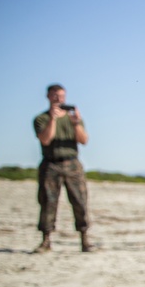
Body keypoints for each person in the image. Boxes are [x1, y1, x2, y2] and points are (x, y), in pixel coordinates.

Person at [32, 84, 95, 253]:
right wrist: (53, 119)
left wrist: (76, 124)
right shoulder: (41, 119)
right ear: (48, 96)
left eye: (61, 96)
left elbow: (84, 140)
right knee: (48, 202)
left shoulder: (73, 118)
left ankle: (85, 239)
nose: (59, 99)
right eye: (55, 96)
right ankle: (46, 240)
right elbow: (45, 140)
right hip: (51, 163)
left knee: (80, 201)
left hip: (72, 164)